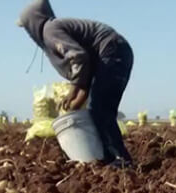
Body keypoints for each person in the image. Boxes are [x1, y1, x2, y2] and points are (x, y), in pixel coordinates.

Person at [18, 0, 135, 168]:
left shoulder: (50, 31)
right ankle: (109, 157)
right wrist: (78, 93)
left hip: (112, 51)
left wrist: (75, 91)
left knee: (101, 108)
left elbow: (79, 57)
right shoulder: (55, 29)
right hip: (114, 51)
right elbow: (85, 65)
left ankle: (122, 160)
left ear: (32, 22)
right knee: (99, 109)